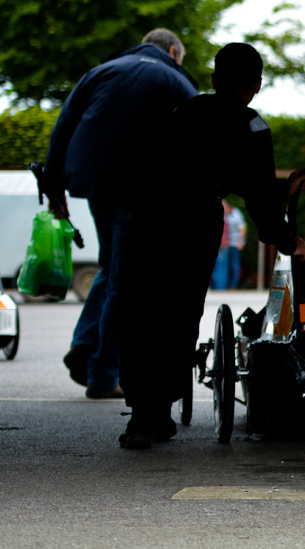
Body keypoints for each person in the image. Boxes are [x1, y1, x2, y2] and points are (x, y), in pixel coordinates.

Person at [117, 43, 305, 449]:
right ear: (256, 86)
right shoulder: (253, 126)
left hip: (151, 217)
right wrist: (289, 241)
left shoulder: (185, 112)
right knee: (182, 312)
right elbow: (254, 194)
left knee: (144, 310)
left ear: (214, 79)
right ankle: (162, 410)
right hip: (197, 222)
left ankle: (141, 416)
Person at [43, 29, 198, 399]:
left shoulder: (101, 71)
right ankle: (101, 374)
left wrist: (53, 188)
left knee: (112, 266)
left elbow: (63, 126)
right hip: (136, 187)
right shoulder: (175, 79)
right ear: (173, 51)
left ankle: (84, 345)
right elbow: (198, 137)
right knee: (124, 279)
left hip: (92, 180)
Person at [211, 200, 248, 289]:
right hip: (226, 243)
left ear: (228, 207)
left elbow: (243, 229)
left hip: (235, 243)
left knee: (234, 265)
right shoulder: (223, 214)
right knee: (225, 266)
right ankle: (224, 285)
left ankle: (232, 285)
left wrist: (240, 242)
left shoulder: (236, 214)